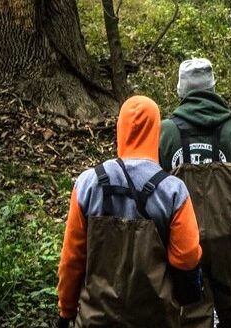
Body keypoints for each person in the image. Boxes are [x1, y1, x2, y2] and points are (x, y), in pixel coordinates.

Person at [57, 96, 203, 327]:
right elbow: (187, 258)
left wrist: (66, 311)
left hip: (95, 319)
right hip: (156, 319)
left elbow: (72, 259)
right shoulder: (173, 190)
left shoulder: (87, 184)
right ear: (156, 132)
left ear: (120, 129)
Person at [159, 58, 231, 328]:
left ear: (180, 91)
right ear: (213, 88)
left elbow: (151, 188)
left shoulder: (166, 133)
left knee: (191, 314)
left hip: (181, 241)